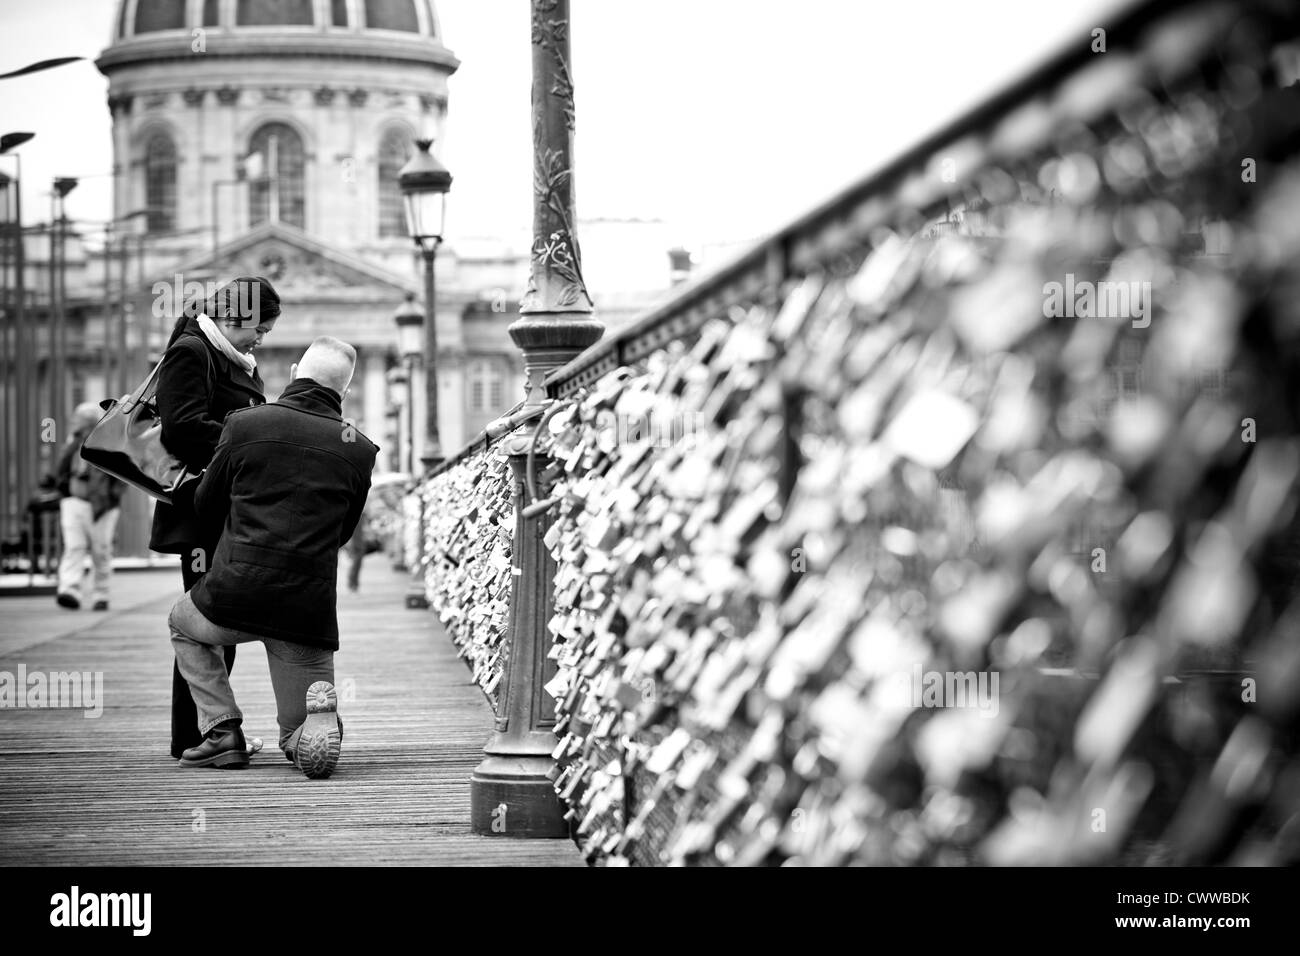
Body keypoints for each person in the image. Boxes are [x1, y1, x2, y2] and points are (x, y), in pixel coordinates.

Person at [168, 337, 378, 777]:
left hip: (232, 595)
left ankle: (222, 729)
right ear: (346, 392)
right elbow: (342, 532)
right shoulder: (358, 449)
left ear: (296, 370)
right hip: (306, 611)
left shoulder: (245, 424)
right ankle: (305, 733)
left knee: (183, 625)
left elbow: (206, 504)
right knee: (297, 729)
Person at [152, 275, 280, 760]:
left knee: (209, 623)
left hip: (219, 508)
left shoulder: (226, 354)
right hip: (198, 512)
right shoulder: (193, 350)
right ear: (235, 319)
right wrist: (251, 436)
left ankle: (206, 731)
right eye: (259, 330)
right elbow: (182, 428)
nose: (260, 340)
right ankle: (197, 734)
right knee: (202, 623)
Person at [52, 402, 124, 611]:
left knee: (101, 550)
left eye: (87, 423)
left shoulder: (110, 442)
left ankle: (101, 593)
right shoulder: (73, 442)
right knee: (74, 547)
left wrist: (113, 496)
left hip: (103, 505)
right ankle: (69, 589)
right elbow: (62, 468)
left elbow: (122, 475)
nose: (83, 427)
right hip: (73, 500)